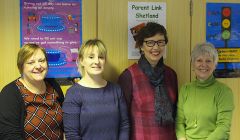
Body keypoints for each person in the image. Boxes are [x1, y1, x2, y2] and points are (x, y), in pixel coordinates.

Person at [118, 22, 178, 140]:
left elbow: (176, 113)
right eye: (150, 42)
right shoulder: (129, 76)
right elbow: (122, 119)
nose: (156, 47)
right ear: (141, 46)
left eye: (160, 42)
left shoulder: (171, 74)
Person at [62, 39, 129, 140]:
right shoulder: (73, 93)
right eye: (91, 57)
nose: (97, 61)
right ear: (81, 60)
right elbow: (72, 135)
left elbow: (124, 125)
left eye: (101, 57)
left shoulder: (116, 90)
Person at [0, 44, 64, 140]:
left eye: (42, 61)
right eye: (31, 62)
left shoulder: (53, 85)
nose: (38, 66)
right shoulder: (10, 93)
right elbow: (9, 135)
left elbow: (66, 122)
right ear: (21, 67)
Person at [176, 42, 234, 140]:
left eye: (208, 61)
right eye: (199, 60)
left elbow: (223, 127)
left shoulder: (224, 91)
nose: (203, 65)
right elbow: (179, 121)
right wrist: (181, 138)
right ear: (193, 64)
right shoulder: (185, 89)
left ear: (215, 65)